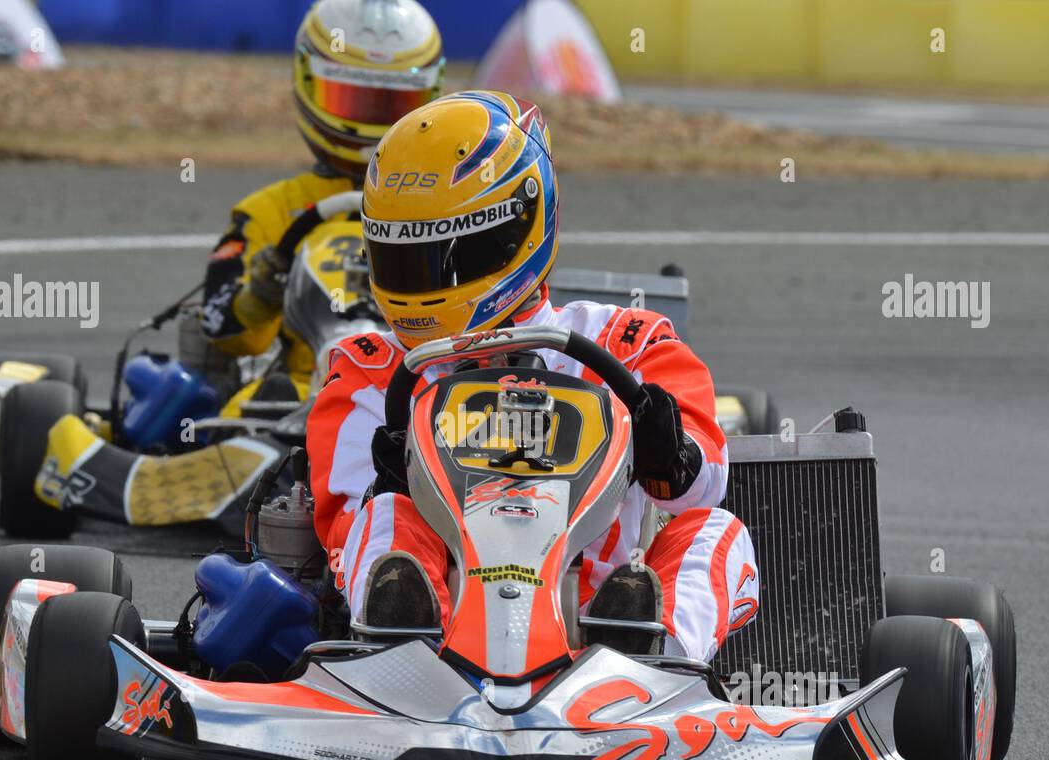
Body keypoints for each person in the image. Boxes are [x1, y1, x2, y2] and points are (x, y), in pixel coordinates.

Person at [306, 91, 759, 662]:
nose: (421, 282)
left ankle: (649, 654)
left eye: (445, 257)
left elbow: (704, 485)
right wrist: (394, 482)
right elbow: (345, 524)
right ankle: (403, 645)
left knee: (716, 531)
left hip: (595, 628)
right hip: (440, 643)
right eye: (403, 261)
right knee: (383, 514)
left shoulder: (626, 342)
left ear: (515, 227)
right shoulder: (370, 366)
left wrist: (667, 453)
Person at [198, 0, 444, 399]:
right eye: (352, 99)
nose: (370, 120)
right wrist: (260, 294)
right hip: (298, 398)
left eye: (390, 105)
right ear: (308, 83)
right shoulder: (268, 212)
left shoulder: (447, 205)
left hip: (423, 391)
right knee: (248, 405)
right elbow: (221, 329)